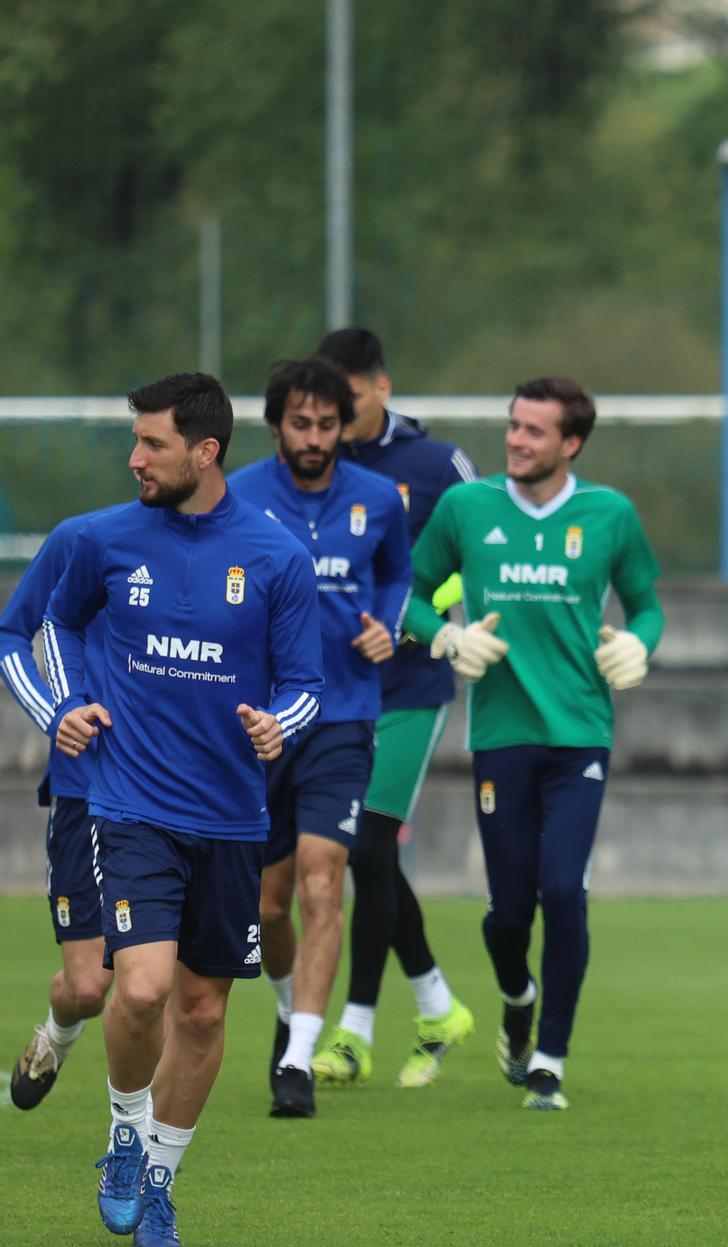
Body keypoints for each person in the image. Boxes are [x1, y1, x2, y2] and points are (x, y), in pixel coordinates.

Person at [44, 372, 322, 1247]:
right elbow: (42, 627)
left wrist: (279, 724)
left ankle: (159, 1179)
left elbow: (306, 685)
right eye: (135, 440)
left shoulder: (277, 556)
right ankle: (125, 1129)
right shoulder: (100, 539)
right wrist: (64, 705)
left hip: (234, 820)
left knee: (202, 1012)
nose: (135, 457)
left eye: (152, 443)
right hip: (131, 805)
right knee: (144, 987)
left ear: (204, 451)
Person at [401, 376, 663, 1112]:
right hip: (500, 735)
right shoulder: (466, 507)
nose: (517, 439)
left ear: (571, 443)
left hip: (581, 730)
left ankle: (549, 1056)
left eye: (534, 431)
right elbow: (411, 593)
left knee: (562, 891)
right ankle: (516, 997)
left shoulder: (609, 514)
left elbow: (646, 605)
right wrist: (445, 634)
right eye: (514, 426)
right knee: (509, 912)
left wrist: (639, 647)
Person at [233, 358, 412, 1118]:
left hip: (342, 714)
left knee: (321, 876)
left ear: (346, 426)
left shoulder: (378, 499)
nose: (314, 438)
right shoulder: (237, 495)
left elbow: (399, 576)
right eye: (300, 424)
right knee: (269, 905)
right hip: (260, 721)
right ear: (276, 424)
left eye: (328, 425)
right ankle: (286, 1007)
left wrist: (388, 630)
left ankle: (300, 1060)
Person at [311, 327, 478, 1089]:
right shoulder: (314, 467)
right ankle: (438, 1004)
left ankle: (354, 1030)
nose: (329, 419)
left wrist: (452, 625)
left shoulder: (438, 465)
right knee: (347, 853)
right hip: (330, 686)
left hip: (411, 684)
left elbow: (483, 548)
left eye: (344, 400)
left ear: (380, 386)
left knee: (367, 849)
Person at [2, 505, 121, 1108]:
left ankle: (142, 1134)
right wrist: (56, 715)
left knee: (167, 982)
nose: (139, 458)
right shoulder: (80, 537)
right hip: (84, 790)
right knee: (89, 985)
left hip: (175, 797)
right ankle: (57, 1031)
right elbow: (11, 634)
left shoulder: (231, 546)